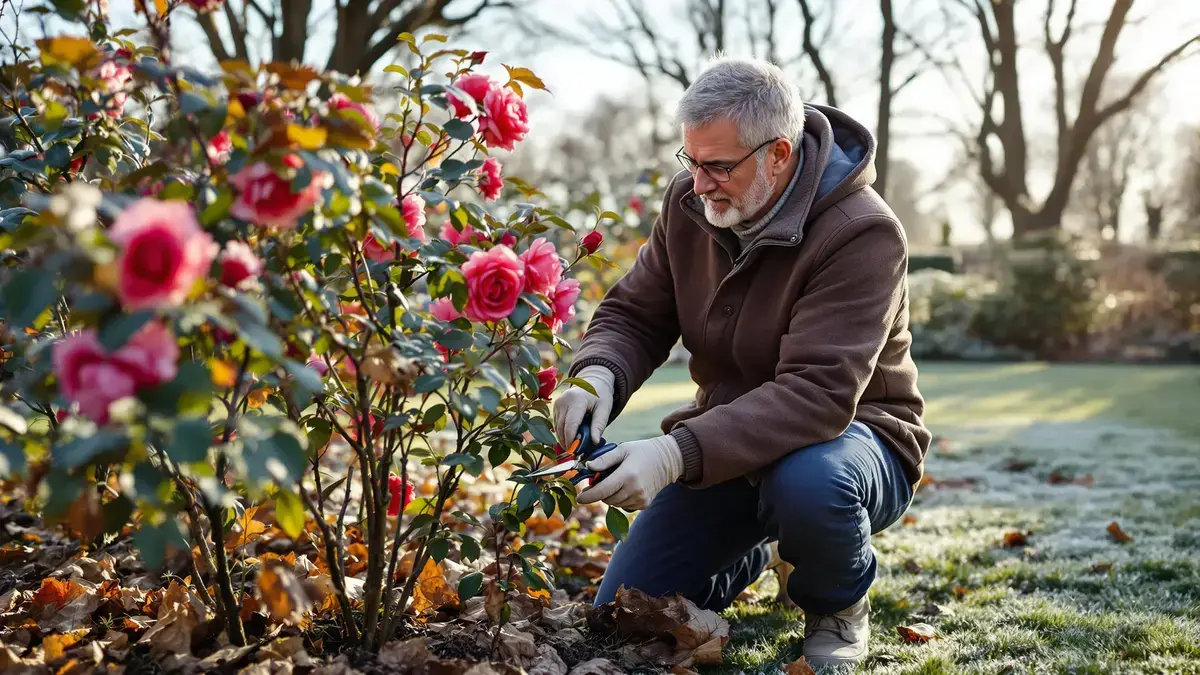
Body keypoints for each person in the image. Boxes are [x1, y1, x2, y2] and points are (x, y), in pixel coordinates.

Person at [551, 56, 930, 670]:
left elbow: (817, 395)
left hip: (851, 442)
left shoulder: (864, 233)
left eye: (719, 167)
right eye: (691, 161)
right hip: (727, 445)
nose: (699, 184)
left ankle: (836, 604)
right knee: (629, 611)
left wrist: (673, 454)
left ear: (778, 153)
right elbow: (637, 313)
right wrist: (598, 375)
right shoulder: (689, 203)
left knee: (809, 483)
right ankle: (758, 545)